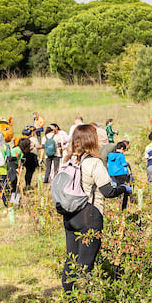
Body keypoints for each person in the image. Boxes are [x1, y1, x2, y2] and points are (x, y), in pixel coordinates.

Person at [60, 124, 128, 292]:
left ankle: (69, 300)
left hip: (69, 214)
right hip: (89, 214)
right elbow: (108, 191)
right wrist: (124, 188)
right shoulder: (94, 163)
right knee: (86, 262)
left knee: (71, 258)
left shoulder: (67, 160)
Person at [107, 141, 133, 209]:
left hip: (111, 173)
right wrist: (128, 164)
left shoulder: (110, 155)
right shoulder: (121, 155)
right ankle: (122, 202)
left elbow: (108, 164)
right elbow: (123, 164)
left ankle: (116, 199)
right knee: (122, 187)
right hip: (120, 173)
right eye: (124, 150)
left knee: (114, 186)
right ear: (122, 148)